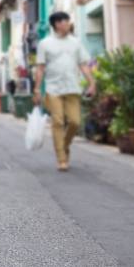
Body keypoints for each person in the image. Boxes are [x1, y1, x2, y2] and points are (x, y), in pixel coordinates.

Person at [32, 11, 96, 172]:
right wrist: (36, 90)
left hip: (72, 88)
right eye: (65, 21)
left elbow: (83, 65)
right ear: (57, 25)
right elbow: (40, 68)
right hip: (53, 88)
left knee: (75, 122)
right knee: (58, 122)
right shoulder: (45, 44)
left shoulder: (76, 42)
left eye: (68, 20)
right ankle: (61, 158)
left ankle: (64, 146)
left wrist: (92, 83)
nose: (68, 23)